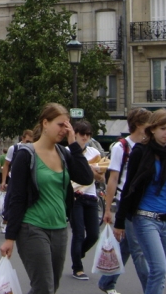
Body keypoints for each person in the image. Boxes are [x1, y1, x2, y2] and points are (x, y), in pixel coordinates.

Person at [0, 103, 93, 294]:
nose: (64, 130)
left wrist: (73, 143)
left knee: (51, 287)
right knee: (44, 288)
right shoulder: (26, 155)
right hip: (32, 227)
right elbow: (16, 197)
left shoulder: (64, 153)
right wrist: (10, 237)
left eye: (67, 125)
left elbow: (86, 177)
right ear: (45, 123)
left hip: (59, 228)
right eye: (60, 125)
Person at [114, 109, 166, 294]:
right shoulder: (140, 152)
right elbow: (129, 188)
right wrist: (120, 222)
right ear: (152, 130)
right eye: (163, 128)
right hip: (145, 218)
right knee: (159, 269)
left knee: (160, 273)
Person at [99, 107, 152, 294]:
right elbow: (112, 179)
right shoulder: (122, 147)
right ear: (138, 125)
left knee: (128, 246)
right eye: (149, 124)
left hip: (144, 201)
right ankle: (151, 289)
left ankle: (107, 282)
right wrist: (108, 209)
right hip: (126, 201)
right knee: (138, 248)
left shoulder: (148, 146)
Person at [69, 120, 104, 280]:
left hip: (91, 196)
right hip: (75, 196)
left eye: (88, 134)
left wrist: (91, 172)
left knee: (94, 234)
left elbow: (101, 178)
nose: (85, 137)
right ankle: (78, 267)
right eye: (82, 134)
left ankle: (79, 252)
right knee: (78, 232)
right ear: (75, 133)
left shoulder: (93, 153)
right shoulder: (68, 152)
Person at [0, 129, 34, 234]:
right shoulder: (14, 148)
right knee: (10, 199)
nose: (29, 144)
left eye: (31, 142)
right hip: (14, 178)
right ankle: (5, 220)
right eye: (27, 141)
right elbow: (6, 164)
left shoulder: (34, 149)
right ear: (22, 138)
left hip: (28, 178)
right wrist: (4, 181)